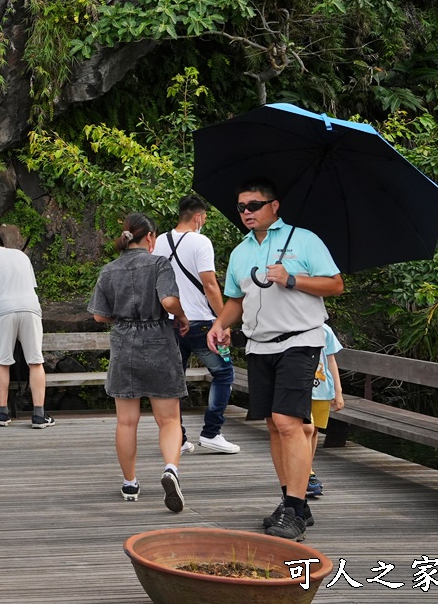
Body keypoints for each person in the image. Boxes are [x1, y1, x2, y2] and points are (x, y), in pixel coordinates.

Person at [208, 177, 344, 542]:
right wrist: (220, 325)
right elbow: (236, 299)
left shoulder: (304, 240)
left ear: (274, 206)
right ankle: (292, 502)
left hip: (300, 341)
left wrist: (293, 279)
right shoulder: (240, 252)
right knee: (273, 424)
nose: (247, 213)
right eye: (241, 207)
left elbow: (335, 284)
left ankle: (296, 511)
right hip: (259, 345)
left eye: (254, 205)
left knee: (288, 421)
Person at [88, 213, 190, 512]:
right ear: (150, 237)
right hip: (158, 339)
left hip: (124, 343)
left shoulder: (109, 269)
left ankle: (130, 483)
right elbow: (169, 302)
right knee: (168, 419)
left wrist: (121, 317)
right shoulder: (159, 263)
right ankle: (170, 468)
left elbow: (98, 315)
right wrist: (182, 317)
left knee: (126, 421)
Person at [152, 194, 240, 455]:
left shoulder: (158, 242)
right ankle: (212, 432)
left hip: (169, 322)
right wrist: (223, 320)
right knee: (224, 374)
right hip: (201, 323)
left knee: (173, 381)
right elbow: (210, 285)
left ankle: (177, 437)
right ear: (199, 217)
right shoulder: (201, 242)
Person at [0, 231, 53, 428]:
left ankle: (2, 414)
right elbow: (30, 287)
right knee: (35, 360)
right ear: (1, 244)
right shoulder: (21, 255)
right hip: (30, 308)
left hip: (2, 310)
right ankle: (39, 415)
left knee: (3, 360)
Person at [303, 323, 345, 500]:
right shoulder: (292, 327)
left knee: (314, 432)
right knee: (306, 429)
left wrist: (338, 391)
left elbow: (331, 360)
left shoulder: (325, 330)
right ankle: (305, 473)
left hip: (322, 390)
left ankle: (307, 470)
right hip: (302, 389)